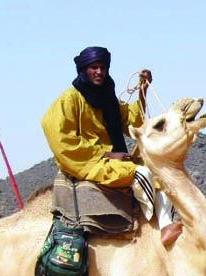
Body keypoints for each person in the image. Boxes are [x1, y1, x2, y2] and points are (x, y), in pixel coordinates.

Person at [41, 45, 182, 245]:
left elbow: (133, 120)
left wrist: (143, 91)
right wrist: (106, 154)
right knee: (142, 174)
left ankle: (161, 225)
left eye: (103, 67)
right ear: (84, 69)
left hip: (112, 158)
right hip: (89, 162)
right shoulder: (70, 99)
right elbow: (61, 138)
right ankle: (164, 225)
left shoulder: (108, 99)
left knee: (161, 170)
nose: (99, 72)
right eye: (94, 67)